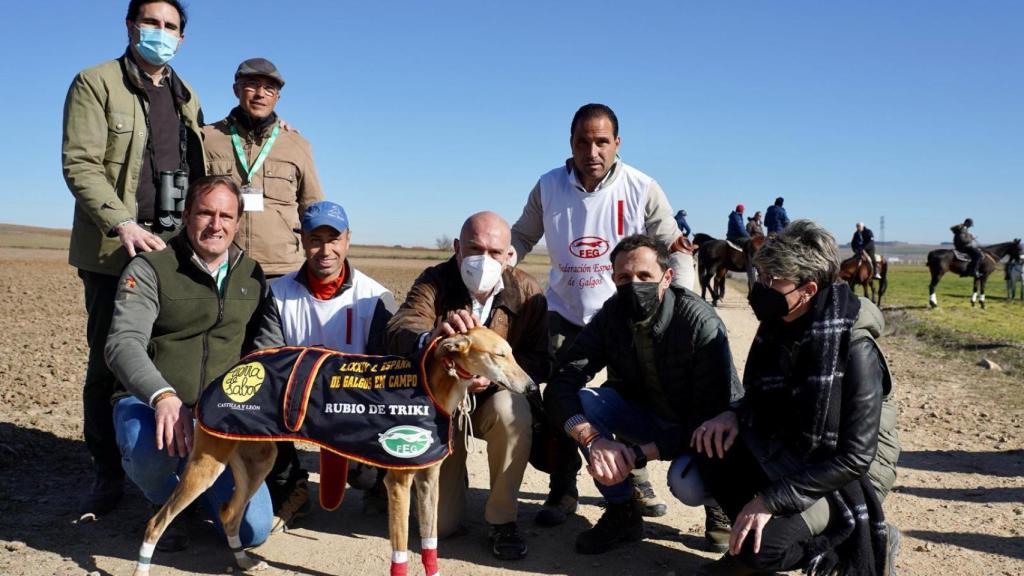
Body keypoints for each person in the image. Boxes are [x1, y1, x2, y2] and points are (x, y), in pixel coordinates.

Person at [681, 220, 901, 575]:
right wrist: (733, 414)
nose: (760, 287)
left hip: (848, 473)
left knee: (762, 552)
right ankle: (747, 541)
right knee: (710, 450)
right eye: (761, 276)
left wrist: (770, 500)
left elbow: (856, 457)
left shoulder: (854, 346)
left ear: (808, 289)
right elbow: (759, 397)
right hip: (793, 447)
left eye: (772, 280)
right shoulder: (778, 324)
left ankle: (835, 549)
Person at [510, 103, 694, 526]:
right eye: (582, 142)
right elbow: (522, 235)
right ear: (571, 143)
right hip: (565, 312)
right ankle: (563, 487)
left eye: (601, 142)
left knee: (628, 395)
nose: (591, 152)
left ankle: (635, 478)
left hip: (626, 317)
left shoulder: (642, 187)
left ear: (617, 143)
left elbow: (673, 246)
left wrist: (681, 301)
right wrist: (497, 264)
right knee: (559, 397)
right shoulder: (548, 186)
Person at [62, 0, 205, 518]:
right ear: (130, 26)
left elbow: (200, 162)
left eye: (171, 27)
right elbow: (79, 163)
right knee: (110, 357)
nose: (160, 33)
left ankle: (168, 459)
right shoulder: (96, 83)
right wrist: (122, 223)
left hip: (172, 250)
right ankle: (106, 470)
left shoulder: (187, 96)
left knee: (170, 352)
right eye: (151, 23)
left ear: (182, 38)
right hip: (115, 249)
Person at [544, 234, 742, 555]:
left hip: (698, 429)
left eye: (644, 276)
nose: (634, 285)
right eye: (624, 277)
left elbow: (716, 415)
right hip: (645, 417)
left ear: (667, 277)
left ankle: (718, 500)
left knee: (687, 484)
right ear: (613, 279)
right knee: (585, 403)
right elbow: (562, 382)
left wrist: (636, 455)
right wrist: (593, 440)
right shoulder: (611, 316)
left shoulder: (698, 322)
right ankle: (623, 510)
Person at [105, 176, 272, 551]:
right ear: (186, 215)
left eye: (226, 216)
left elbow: (266, 346)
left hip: (218, 416)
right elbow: (123, 343)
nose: (216, 225)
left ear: (238, 222)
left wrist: (246, 407)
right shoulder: (151, 268)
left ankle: (196, 487)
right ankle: (164, 498)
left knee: (254, 530)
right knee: (145, 449)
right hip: (152, 405)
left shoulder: (252, 275)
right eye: (205, 213)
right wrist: (162, 396)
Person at [386, 211, 550, 560]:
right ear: (458, 248)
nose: (484, 260)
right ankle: (451, 475)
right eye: (475, 249)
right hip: (447, 404)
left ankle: (502, 519)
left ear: (509, 255)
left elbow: (539, 360)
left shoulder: (526, 291)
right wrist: (433, 340)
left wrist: (493, 375)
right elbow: (401, 326)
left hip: (491, 399)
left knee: (513, 411)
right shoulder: (435, 281)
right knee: (442, 525)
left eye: (495, 252)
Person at [203, 57, 325, 518]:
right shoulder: (208, 138)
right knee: (227, 375)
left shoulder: (296, 144)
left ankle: (289, 482)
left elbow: (313, 208)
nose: (260, 94)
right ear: (236, 88)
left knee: (275, 380)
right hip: (225, 273)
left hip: (280, 275)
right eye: (252, 85)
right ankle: (224, 470)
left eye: (269, 88)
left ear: (278, 96)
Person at [250, 200, 396, 532]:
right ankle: (291, 486)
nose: (325, 250)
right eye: (315, 239)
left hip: (354, 404)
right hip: (296, 401)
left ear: (348, 239)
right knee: (260, 400)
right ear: (302, 240)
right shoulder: (276, 293)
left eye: (334, 239)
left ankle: (377, 480)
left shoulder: (376, 297)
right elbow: (268, 360)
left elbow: (384, 373)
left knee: (391, 414)